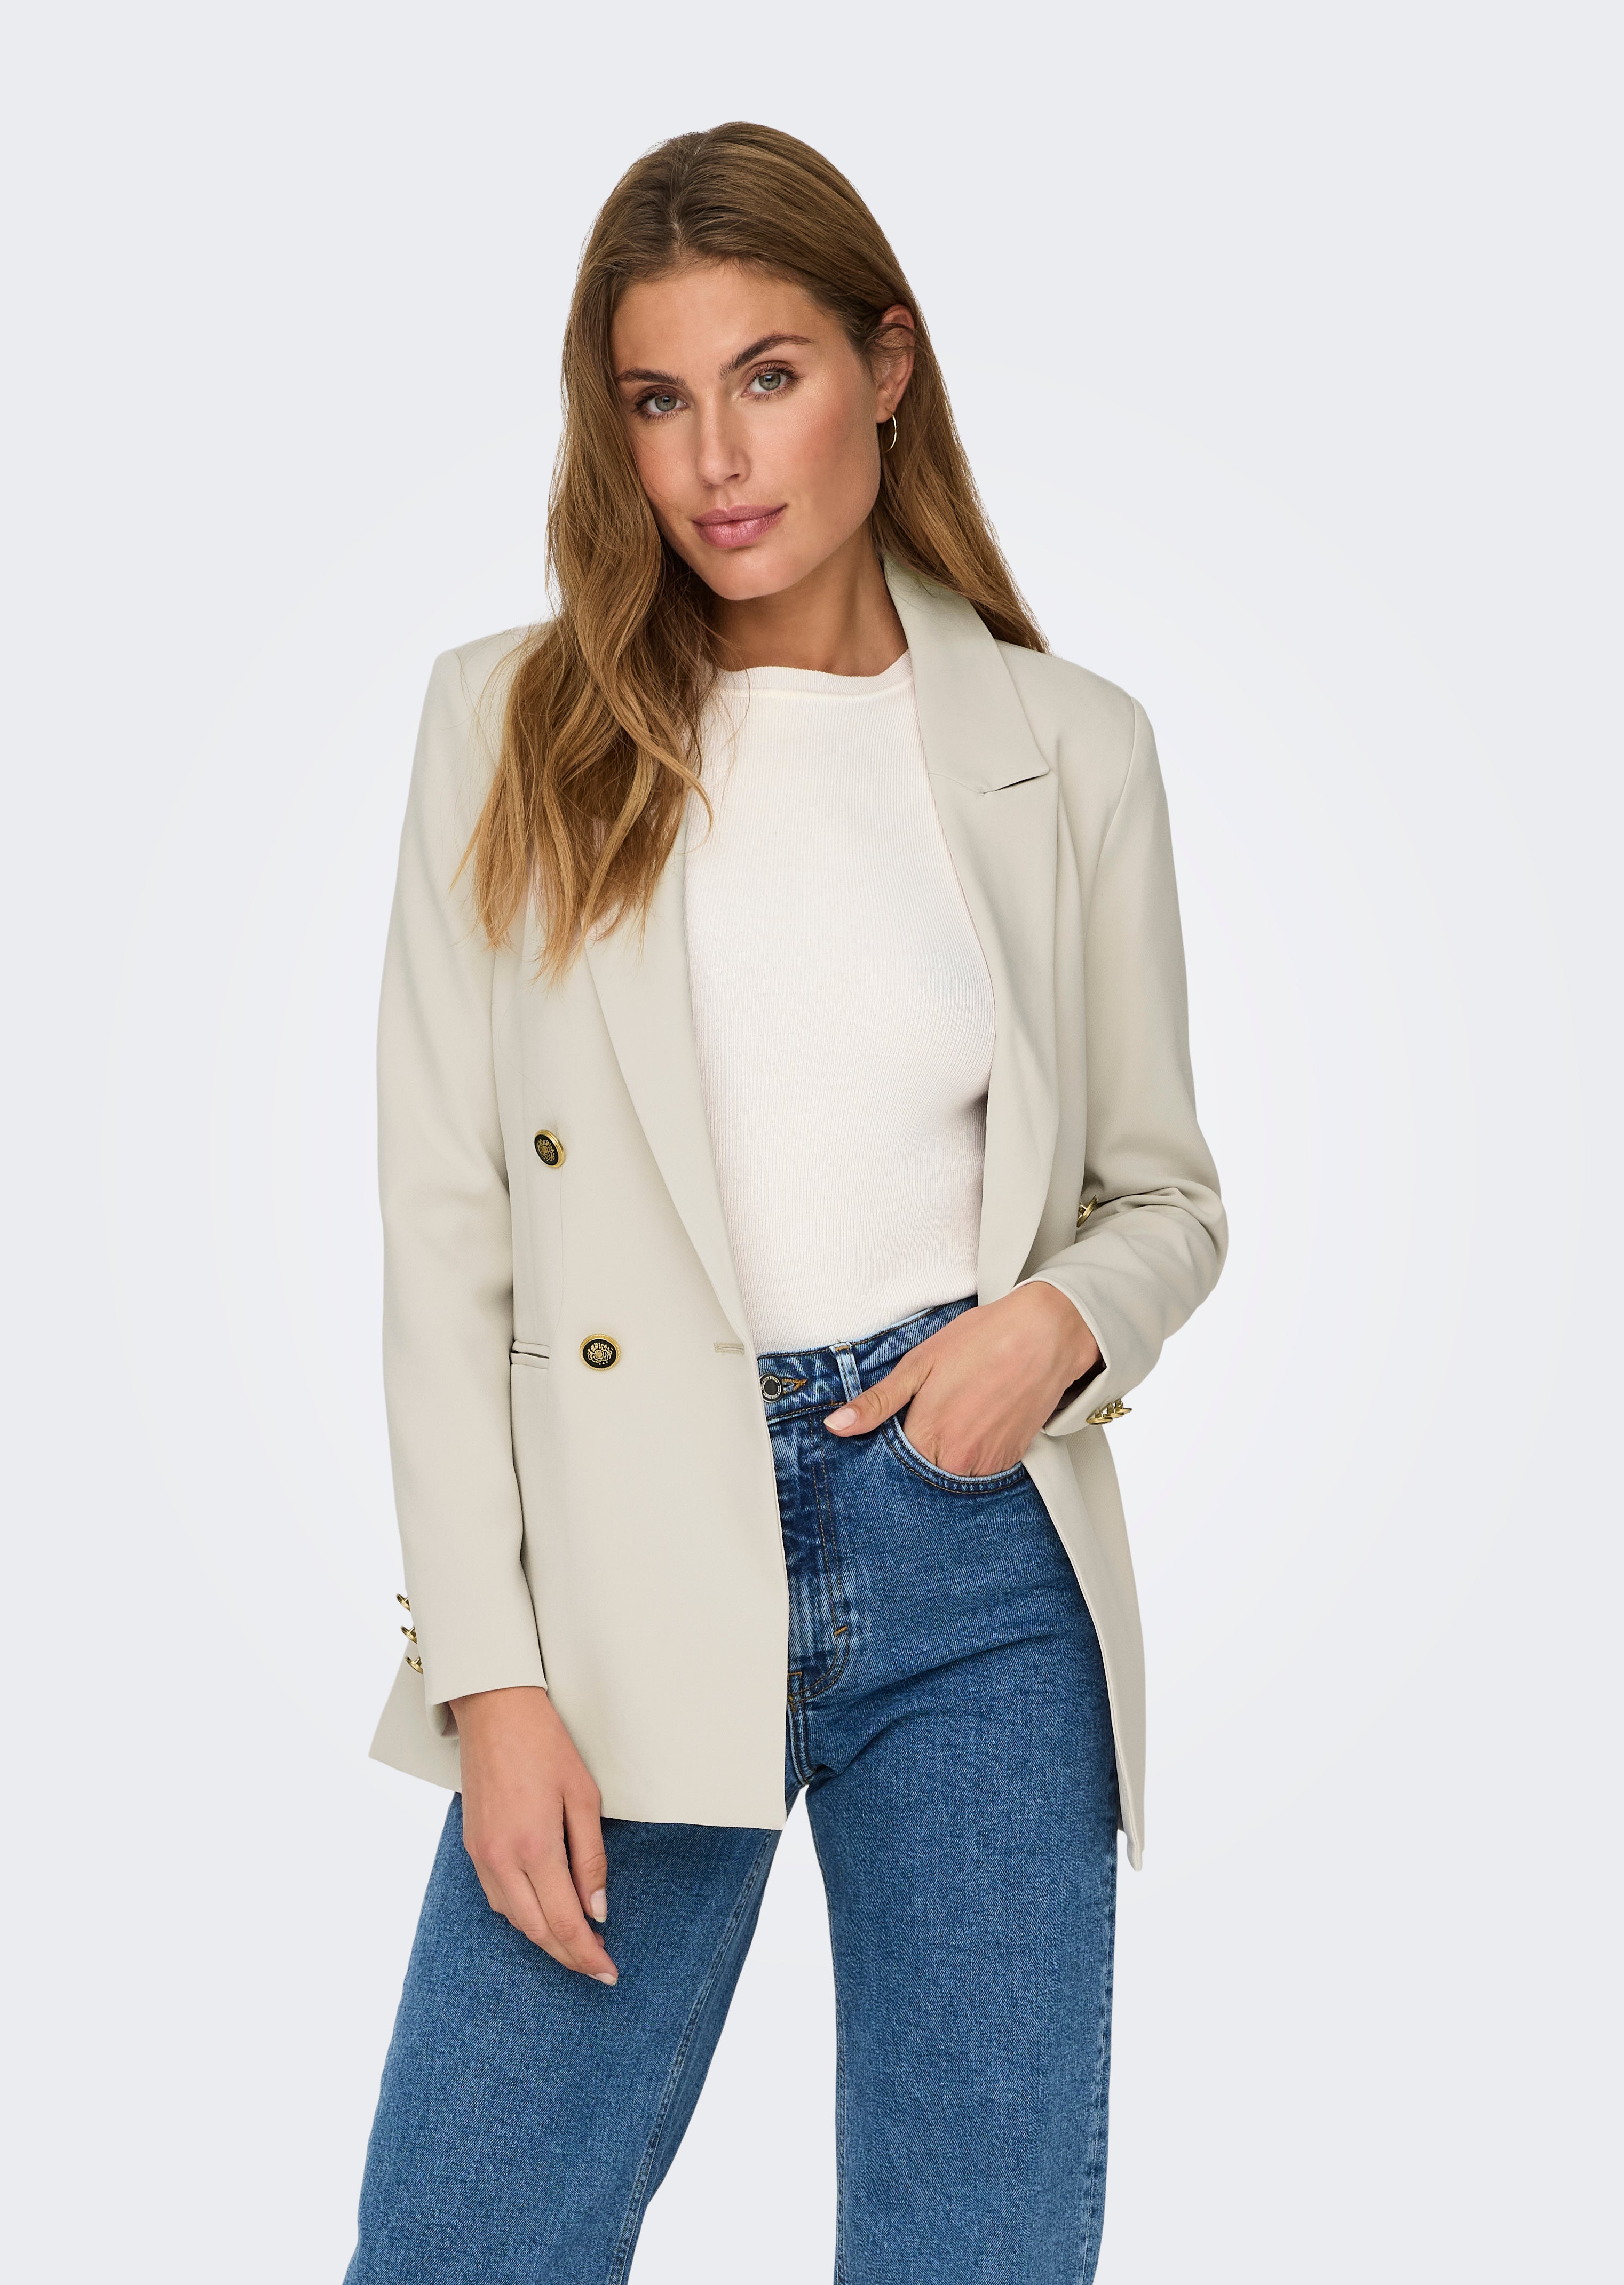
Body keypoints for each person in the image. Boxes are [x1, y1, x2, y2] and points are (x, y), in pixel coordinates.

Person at [345, 120, 1226, 2285]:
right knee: (464, 2237)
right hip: (624, 1562)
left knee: (973, 2248)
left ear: (885, 366)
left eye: (770, 375)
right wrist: (490, 1680)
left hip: (972, 1552)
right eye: (658, 399)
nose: (716, 458)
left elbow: (1162, 1194)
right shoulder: (510, 723)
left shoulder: (1069, 746)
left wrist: (1052, 1327)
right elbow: (446, 1238)